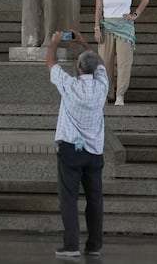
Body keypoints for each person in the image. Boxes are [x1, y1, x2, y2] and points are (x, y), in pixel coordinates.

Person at [46, 29, 108, 258]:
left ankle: (71, 245)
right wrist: (83, 42)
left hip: (72, 148)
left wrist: (53, 43)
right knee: (95, 199)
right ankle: (94, 245)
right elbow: (99, 63)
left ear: (78, 68)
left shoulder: (70, 86)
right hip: (94, 152)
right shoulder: (102, 86)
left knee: (69, 198)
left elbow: (51, 64)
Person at [94, 0, 149, 105]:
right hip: (107, 26)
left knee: (124, 62)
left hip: (124, 26)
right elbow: (98, 9)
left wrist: (135, 15)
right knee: (105, 62)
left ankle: (120, 95)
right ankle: (107, 93)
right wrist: (97, 27)